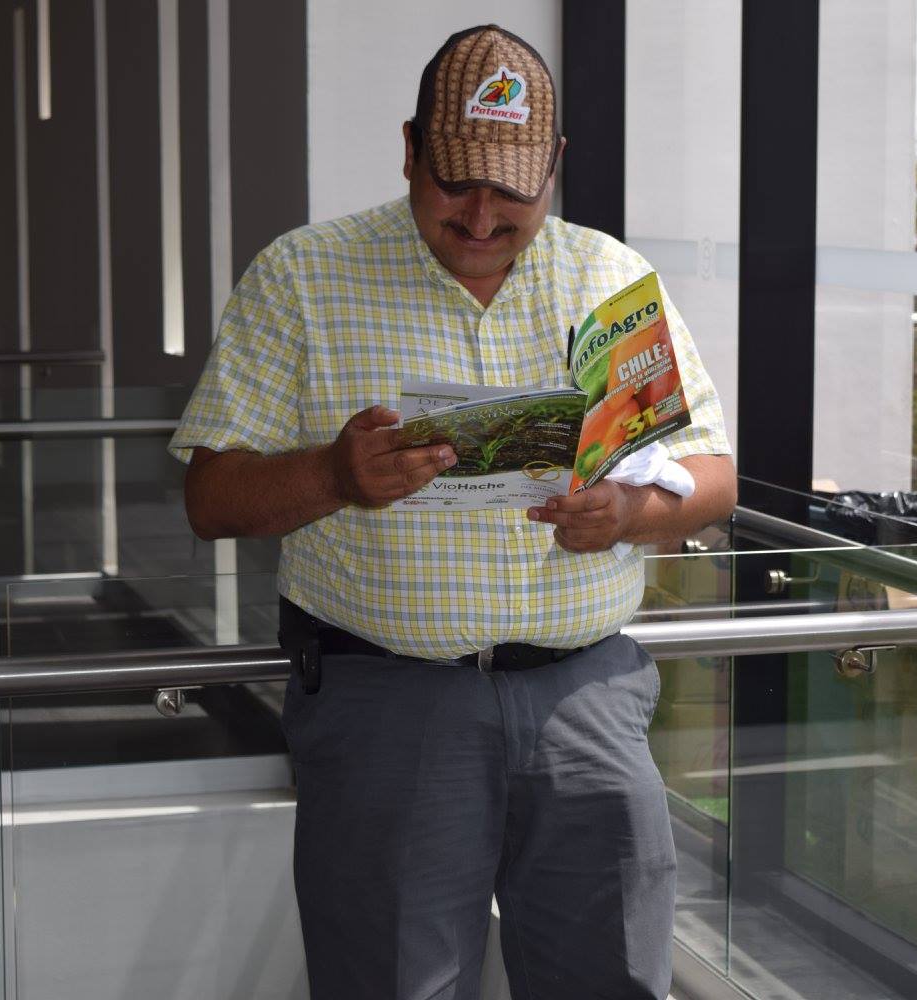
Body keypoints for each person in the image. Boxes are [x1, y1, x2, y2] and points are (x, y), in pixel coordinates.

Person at [169, 24, 735, 1000]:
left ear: (554, 167)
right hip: (387, 705)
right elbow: (210, 498)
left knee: (611, 979)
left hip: (586, 698)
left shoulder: (608, 281)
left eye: (511, 191)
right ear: (409, 148)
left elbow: (714, 478)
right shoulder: (303, 277)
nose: (479, 216)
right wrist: (335, 475)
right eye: (455, 182)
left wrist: (626, 512)